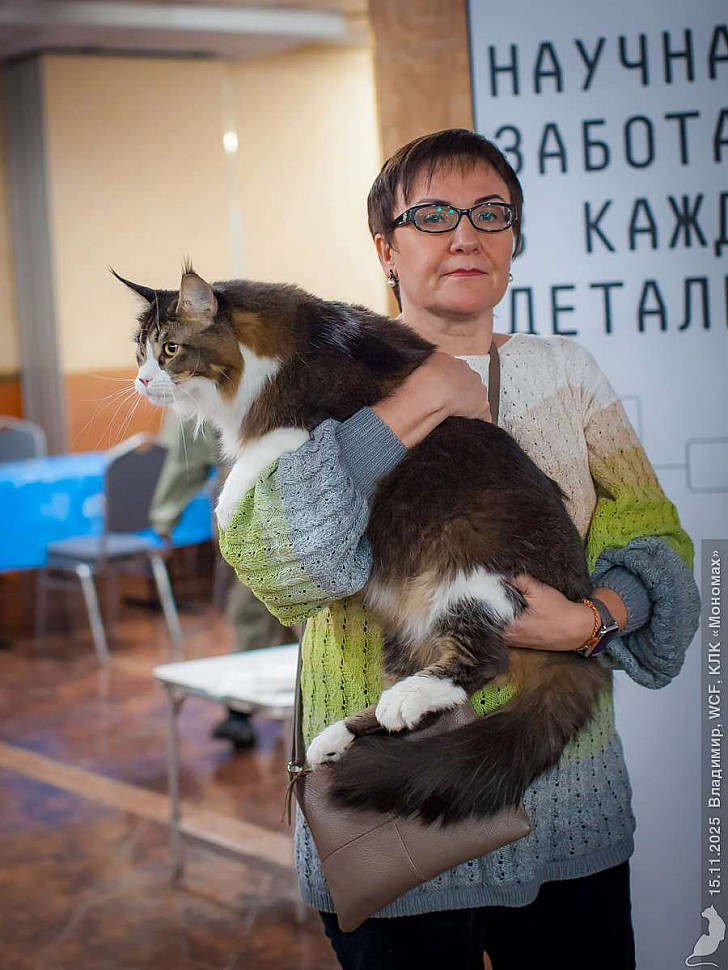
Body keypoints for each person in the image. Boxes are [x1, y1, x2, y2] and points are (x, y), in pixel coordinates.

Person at [218, 129, 700, 969]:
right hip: (386, 809)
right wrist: (416, 402)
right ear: (387, 249)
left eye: (491, 213)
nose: (466, 235)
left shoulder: (567, 373)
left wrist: (590, 620)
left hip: (565, 805)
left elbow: (656, 539)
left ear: (514, 238)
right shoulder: (310, 373)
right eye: (434, 215)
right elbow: (294, 560)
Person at [150, 411, 297, 749]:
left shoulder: (194, 392)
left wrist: (165, 515)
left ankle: (240, 713)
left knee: (255, 609)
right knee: (279, 611)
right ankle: (266, 706)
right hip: (291, 500)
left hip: (259, 505)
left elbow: (185, 454)